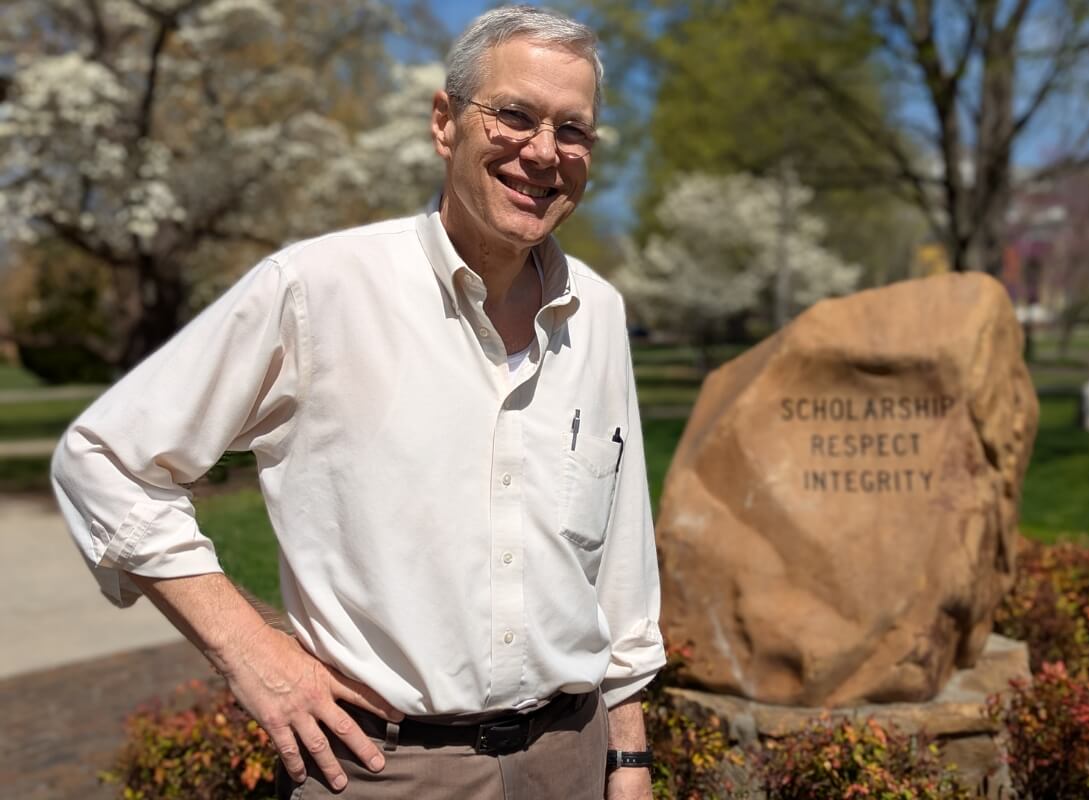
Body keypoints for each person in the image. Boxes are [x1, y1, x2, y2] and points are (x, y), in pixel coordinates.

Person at [51, 6, 665, 799]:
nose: (543, 152)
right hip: (384, 770)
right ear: (445, 123)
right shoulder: (317, 290)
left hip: (570, 760)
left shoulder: (601, 312)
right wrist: (252, 654)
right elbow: (103, 460)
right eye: (513, 115)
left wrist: (628, 756)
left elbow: (617, 557)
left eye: (573, 130)